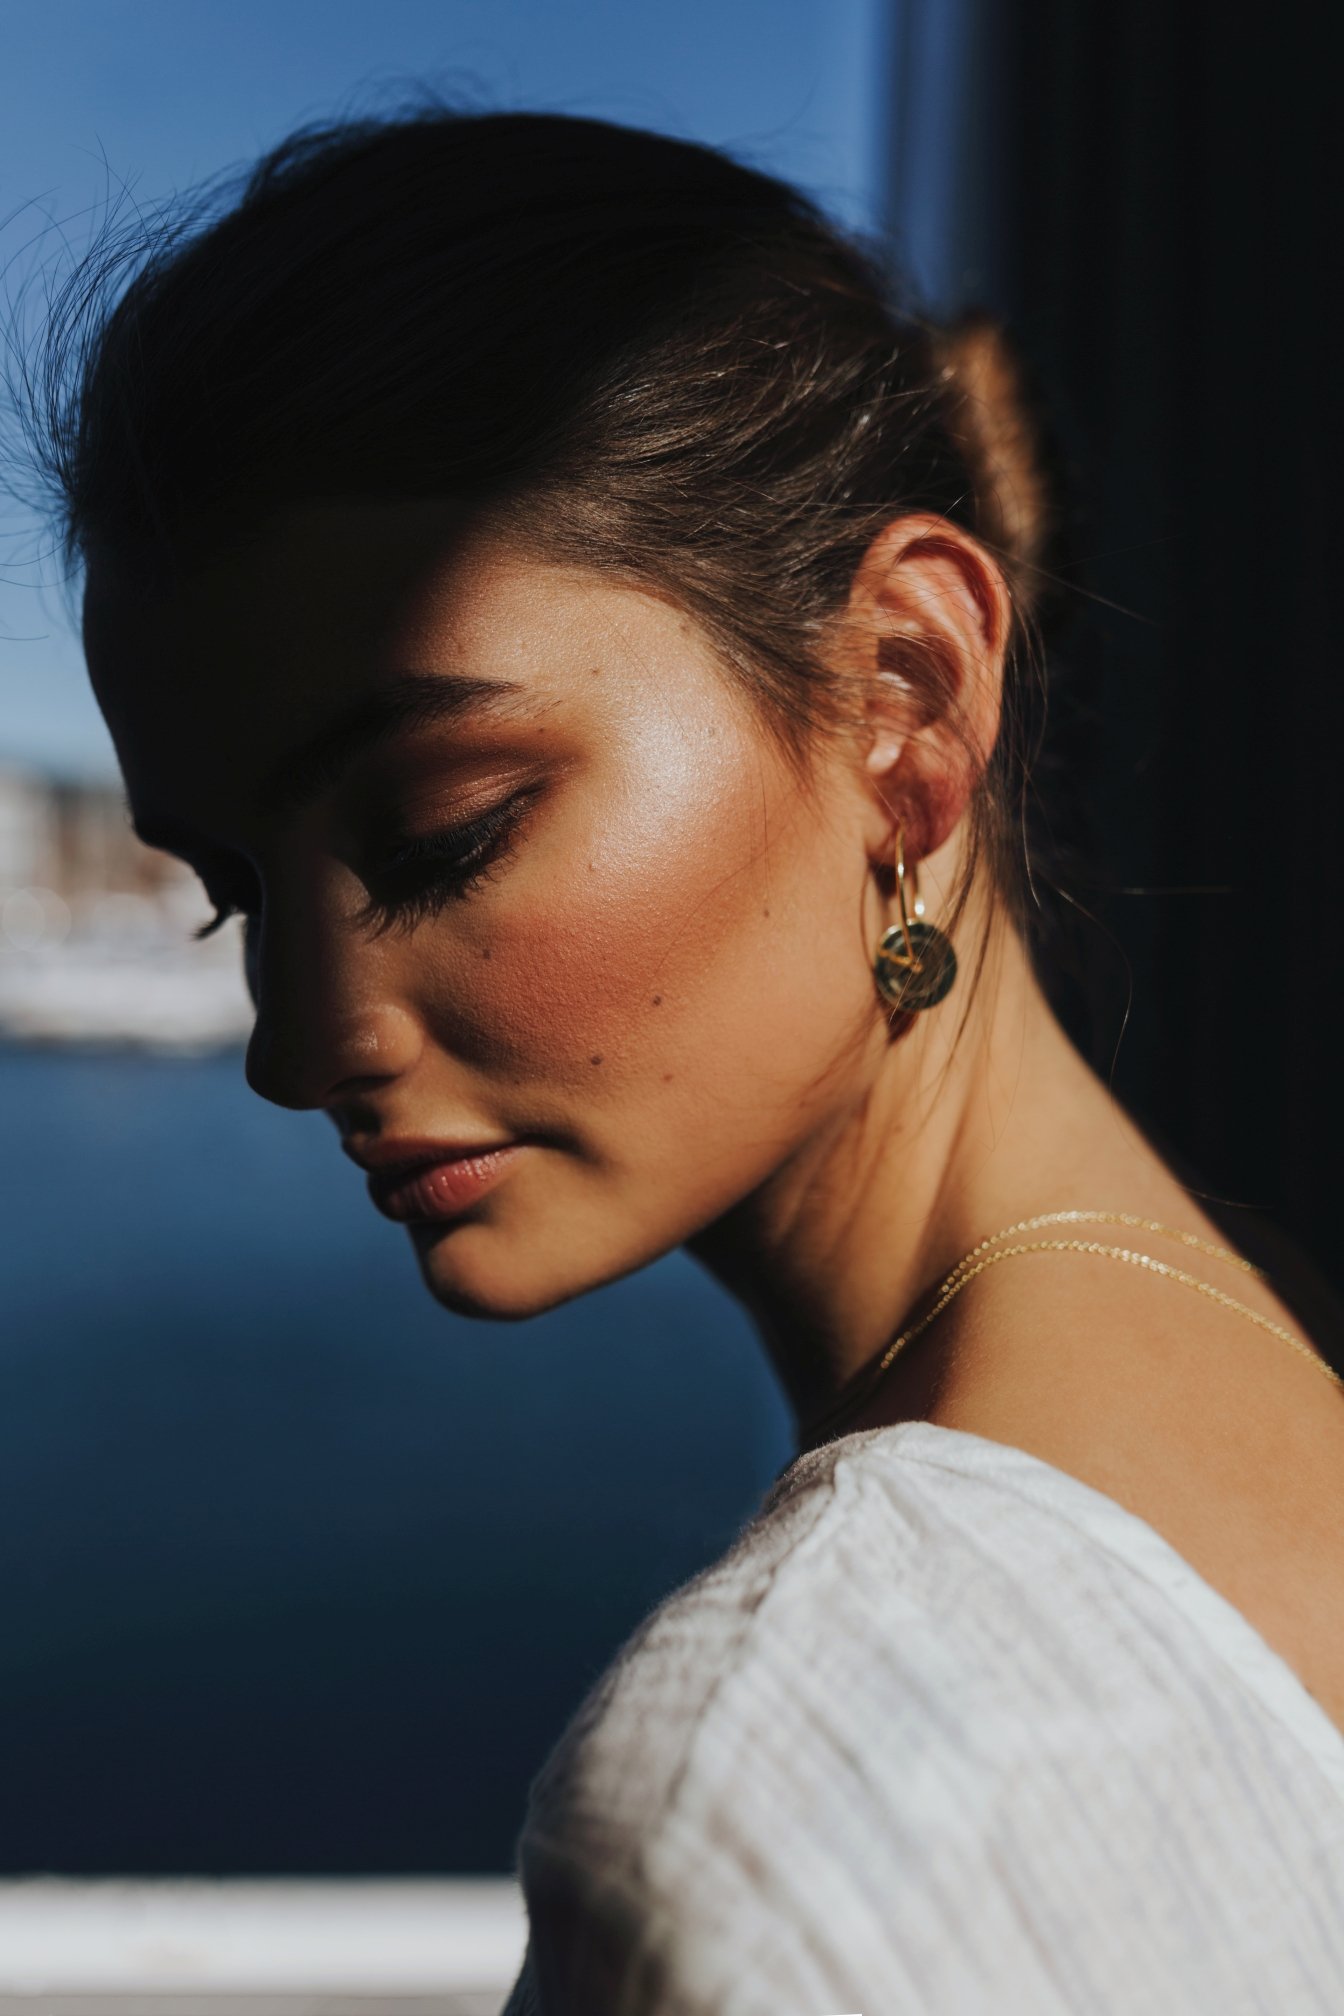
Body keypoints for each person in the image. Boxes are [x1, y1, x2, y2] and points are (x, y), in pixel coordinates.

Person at [16, 102, 1344, 2012]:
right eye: (234, 893)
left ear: (902, 700)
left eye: (444, 827)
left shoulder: (768, 1818)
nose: (299, 1048)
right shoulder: (1257, 1332)